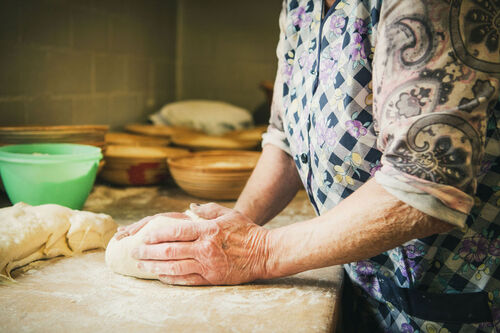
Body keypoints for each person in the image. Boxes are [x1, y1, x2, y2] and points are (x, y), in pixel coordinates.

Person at [115, 0, 500, 331]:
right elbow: (285, 139)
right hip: (366, 289)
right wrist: (228, 226)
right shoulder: (300, 6)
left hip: (459, 297)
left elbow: (423, 178)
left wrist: (257, 252)